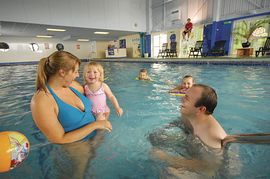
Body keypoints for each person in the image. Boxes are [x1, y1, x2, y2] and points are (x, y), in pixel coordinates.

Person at [31, 51, 112, 144]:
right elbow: (58, 139)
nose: (78, 75)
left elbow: (92, 96)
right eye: (76, 71)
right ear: (62, 72)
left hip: (98, 137)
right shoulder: (42, 100)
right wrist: (95, 125)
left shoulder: (73, 86)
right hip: (79, 148)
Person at [151, 84, 228, 177]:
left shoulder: (212, 135)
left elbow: (209, 166)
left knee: (170, 172)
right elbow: (179, 124)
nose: (182, 99)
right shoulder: (189, 114)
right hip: (193, 149)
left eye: (187, 98)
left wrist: (167, 158)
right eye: (184, 95)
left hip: (208, 170)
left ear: (201, 109)